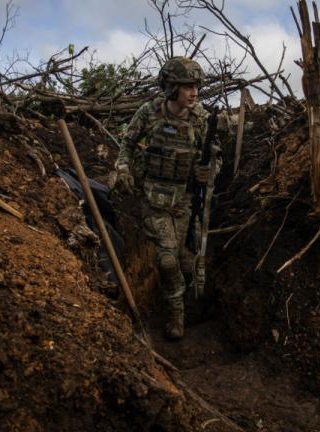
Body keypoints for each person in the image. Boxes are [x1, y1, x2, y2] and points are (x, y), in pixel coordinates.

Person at [113, 56, 219, 340]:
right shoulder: (150, 112)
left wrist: (208, 171)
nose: (194, 92)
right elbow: (128, 143)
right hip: (155, 198)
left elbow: (214, 156)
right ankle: (176, 316)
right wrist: (123, 168)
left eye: (196, 86)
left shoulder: (202, 119)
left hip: (185, 201)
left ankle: (192, 306)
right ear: (172, 87)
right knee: (167, 261)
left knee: (187, 262)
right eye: (187, 86)